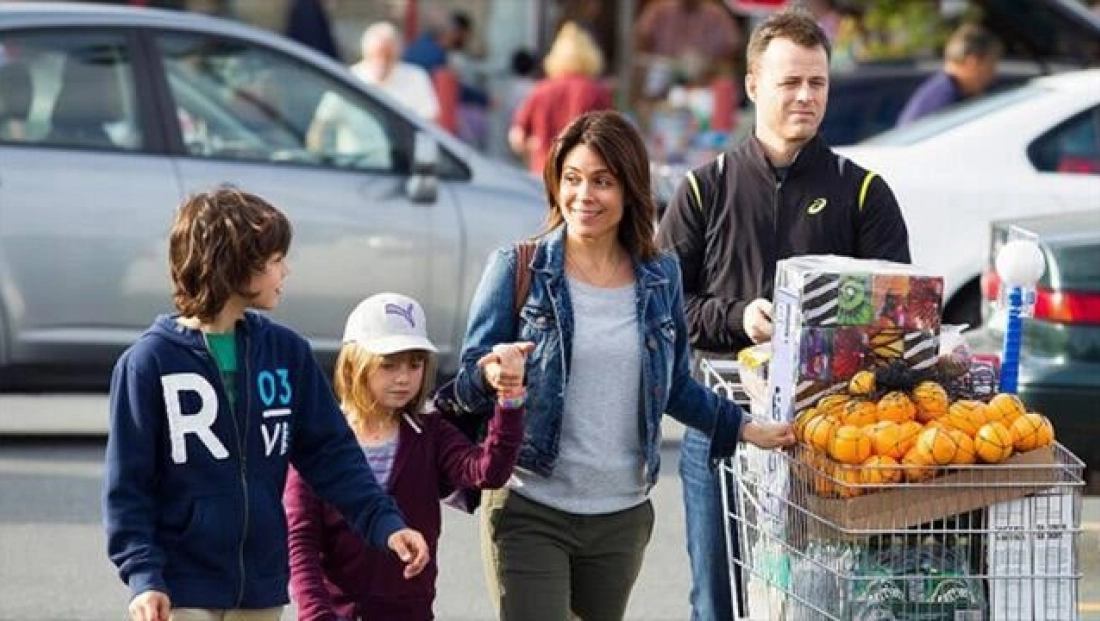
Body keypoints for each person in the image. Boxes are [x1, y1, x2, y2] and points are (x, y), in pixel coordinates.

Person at [454, 110, 795, 621]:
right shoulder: (519, 268)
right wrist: (490, 373)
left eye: (602, 182)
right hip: (530, 505)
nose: (583, 196)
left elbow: (676, 386)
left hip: (621, 516)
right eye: (572, 179)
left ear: (630, 189)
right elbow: (464, 382)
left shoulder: (659, 275)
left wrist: (747, 428)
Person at [657, 9, 911, 621]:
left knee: (817, 604)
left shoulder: (864, 192)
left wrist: (830, 337)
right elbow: (660, 311)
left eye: (817, 83)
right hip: (720, 422)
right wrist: (740, 318)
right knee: (716, 603)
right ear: (752, 86)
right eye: (789, 81)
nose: (804, 96)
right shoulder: (704, 189)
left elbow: (900, 326)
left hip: (829, 435)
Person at [103, 188, 430, 621]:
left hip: (261, 585)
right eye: (276, 259)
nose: (286, 270)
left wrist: (385, 523)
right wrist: (144, 577)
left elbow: (332, 455)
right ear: (234, 266)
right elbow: (129, 487)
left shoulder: (287, 353)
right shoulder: (147, 364)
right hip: (180, 585)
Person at [285, 292, 531, 620]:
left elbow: (488, 472)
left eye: (415, 364)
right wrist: (317, 615)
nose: (403, 378)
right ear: (353, 365)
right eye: (388, 365)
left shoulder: (432, 433)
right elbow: (301, 541)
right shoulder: (319, 439)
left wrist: (509, 399)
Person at [509, 22, 613, 174]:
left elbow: (517, 138)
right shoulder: (597, 91)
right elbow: (611, 138)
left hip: (543, 173)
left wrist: (537, 145)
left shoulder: (540, 90)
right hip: (582, 175)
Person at [896, 23, 1002, 126]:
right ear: (972, 62)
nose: (993, 75)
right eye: (991, 65)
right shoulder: (944, 100)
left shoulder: (946, 90)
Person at [351, 22, 439, 122]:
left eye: (387, 56)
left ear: (397, 54)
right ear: (365, 53)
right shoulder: (351, 77)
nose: (381, 62)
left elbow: (429, 119)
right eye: (375, 55)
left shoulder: (415, 77)